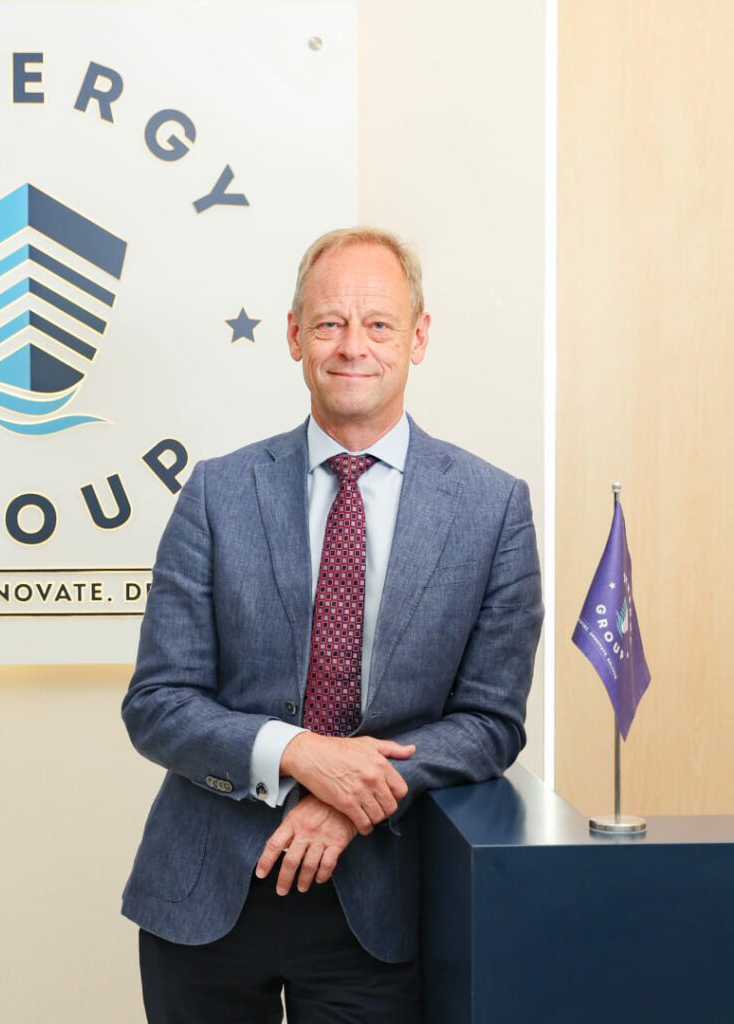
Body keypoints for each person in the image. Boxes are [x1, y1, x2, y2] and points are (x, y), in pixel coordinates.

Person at [121, 227, 544, 1023]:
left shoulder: (493, 509)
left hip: (380, 906)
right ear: (294, 336)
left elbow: (489, 722)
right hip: (205, 897)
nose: (354, 346)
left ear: (418, 337)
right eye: (329, 324)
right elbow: (158, 704)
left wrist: (350, 795)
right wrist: (301, 756)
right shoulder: (216, 494)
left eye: (378, 324)